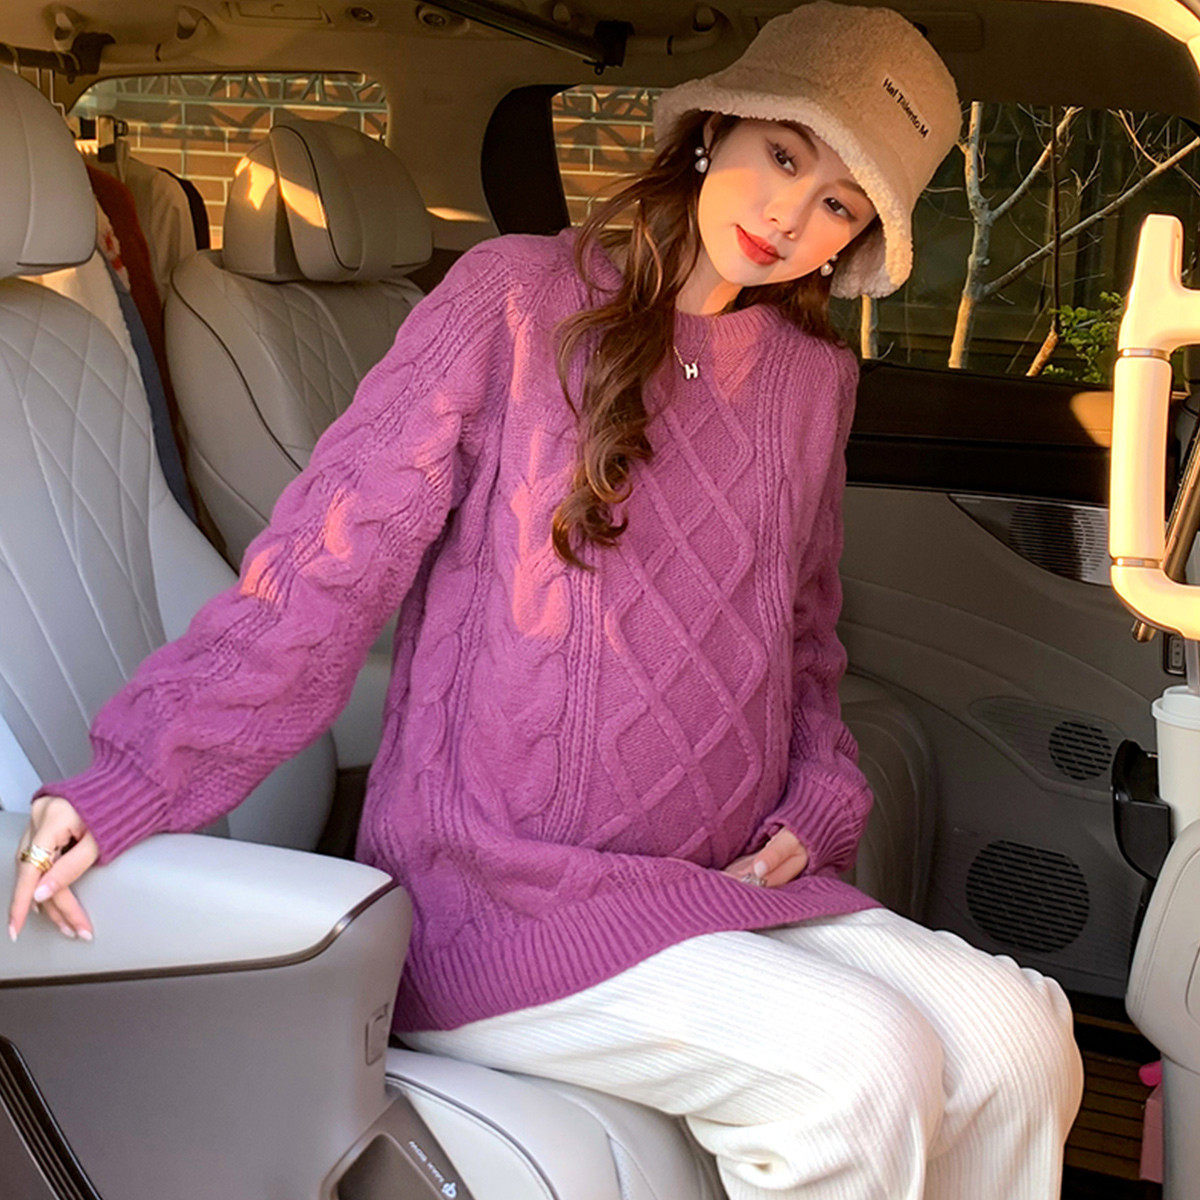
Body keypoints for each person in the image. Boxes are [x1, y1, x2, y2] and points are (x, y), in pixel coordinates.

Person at [8, 3, 1084, 1197]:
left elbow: (802, 631)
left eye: (839, 202)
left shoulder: (812, 380)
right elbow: (325, 564)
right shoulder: (512, 301)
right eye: (784, 156)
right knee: (861, 1070)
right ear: (716, 130)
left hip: (710, 880)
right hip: (499, 892)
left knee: (1023, 1037)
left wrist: (823, 785)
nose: (790, 215)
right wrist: (142, 773)